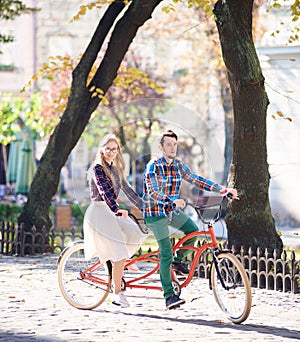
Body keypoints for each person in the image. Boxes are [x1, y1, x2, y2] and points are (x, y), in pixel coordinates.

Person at [143, 129, 238, 310]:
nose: (172, 148)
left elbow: (196, 179)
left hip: (171, 211)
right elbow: (153, 191)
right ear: (161, 147)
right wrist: (172, 200)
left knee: (193, 231)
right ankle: (169, 296)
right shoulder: (153, 166)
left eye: (174, 144)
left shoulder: (178, 165)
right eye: (168, 144)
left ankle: (178, 262)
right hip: (155, 212)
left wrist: (222, 190)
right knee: (165, 253)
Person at [83, 134, 146, 308]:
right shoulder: (97, 168)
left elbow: (128, 190)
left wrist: (145, 207)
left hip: (113, 211)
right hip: (101, 211)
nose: (111, 152)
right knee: (119, 251)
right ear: (102, 149)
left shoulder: (115, 169)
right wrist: (116, 209)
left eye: (114, 149)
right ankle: (117, 294)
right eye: (108, 148)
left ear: (118, 151)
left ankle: (122, 263)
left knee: (135, 233)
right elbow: (104, 192)